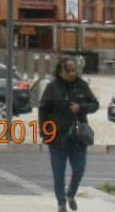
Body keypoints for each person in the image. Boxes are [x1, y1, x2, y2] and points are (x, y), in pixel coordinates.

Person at [38, 56, 99, 212]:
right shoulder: (52, 87)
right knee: (58, 172)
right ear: (60, 71)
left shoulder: (82, 85)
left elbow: (95, 105)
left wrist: (81, 107)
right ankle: (61, 203)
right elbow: (43, 109)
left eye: (74, 70)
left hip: (78, 137)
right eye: (68, 71)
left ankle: (70, 194)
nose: (72, 73)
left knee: (80, 168)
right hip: (57, 136)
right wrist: (44, 130)